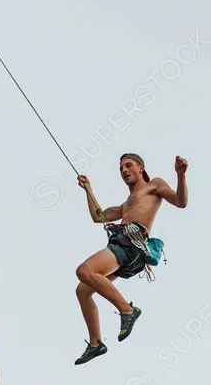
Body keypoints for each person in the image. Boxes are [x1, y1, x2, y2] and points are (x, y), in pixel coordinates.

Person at [74, 152, 189, 365]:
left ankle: (128, 310)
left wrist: (181, 175)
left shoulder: (153, 185)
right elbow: (98, 216)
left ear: (141, 167)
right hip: (122, 245)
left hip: (131, 243)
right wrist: (88, 189)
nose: (124, 171)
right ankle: (96, 343)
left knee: (84, 271)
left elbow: (181, 202)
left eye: (128, 166)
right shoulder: (126, 204)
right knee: (82, 290)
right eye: (121, 169)